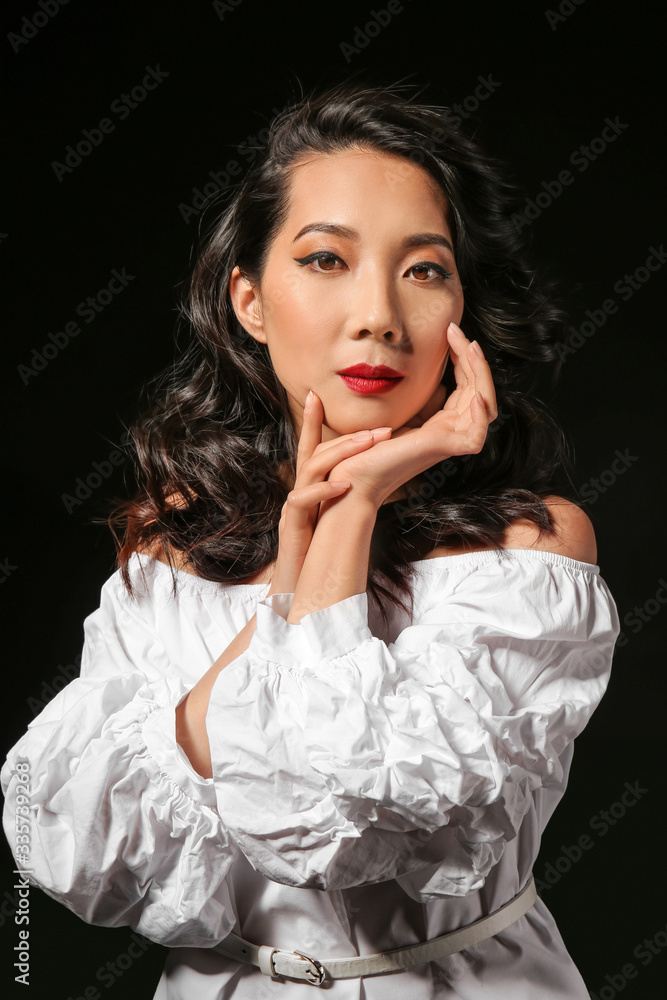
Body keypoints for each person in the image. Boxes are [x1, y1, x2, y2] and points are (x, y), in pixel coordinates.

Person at [2, 80, 619, 998]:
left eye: (423, 269)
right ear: (249, 301)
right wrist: (307, 549)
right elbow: (87, 856)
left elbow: (337, 824)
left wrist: (352, 504)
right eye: (326, 260)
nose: (377, 313)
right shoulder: (166, 540)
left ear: (461, 310)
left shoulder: (529, 548)